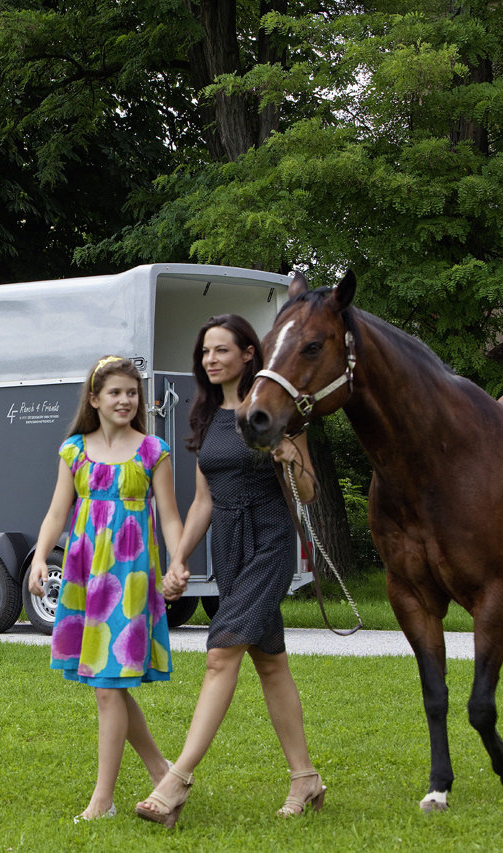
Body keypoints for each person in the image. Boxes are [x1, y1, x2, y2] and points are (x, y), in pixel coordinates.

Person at [135, 315, 322, 828]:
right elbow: (202, 501)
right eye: (204, 353)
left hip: (271, 542)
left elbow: (309, 493)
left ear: (247, 353)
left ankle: (177, 782)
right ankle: (305, 778)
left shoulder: (278, 412)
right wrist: (179, 560)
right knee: (270, 663)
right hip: (230, 549)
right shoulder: (208, 415)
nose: (210, 360)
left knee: (220, 653)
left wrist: (289, 455)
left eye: (220, 350)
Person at [26, 355, 184, 823]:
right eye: (115, 392)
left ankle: (103, 800)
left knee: (107, 686)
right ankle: (162, 771)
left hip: (131, 576)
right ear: (94, 399)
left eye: (131, 393)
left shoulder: (153, 450)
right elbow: (58, 512)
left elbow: (171, 515)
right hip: (85, 576)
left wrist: (178, 561)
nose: (125, 400)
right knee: (105, 684)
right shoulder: (74, 451)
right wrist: (39, 556)